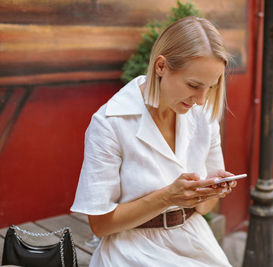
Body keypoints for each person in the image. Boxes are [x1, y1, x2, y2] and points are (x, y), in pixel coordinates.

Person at [71, 16, 237, 267]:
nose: (201, 100)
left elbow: (205, 209)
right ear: (161, 66)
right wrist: (168, 197)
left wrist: (210, 192)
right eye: (194, 85)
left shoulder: (204, 116)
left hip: (193, 239)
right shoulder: (110, 122)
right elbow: (100, 225)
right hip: (131, 247)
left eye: (210, 88)